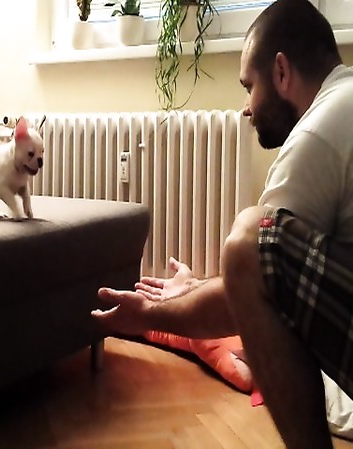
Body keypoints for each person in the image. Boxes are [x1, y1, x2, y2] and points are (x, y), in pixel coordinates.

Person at [91, 1, 353, 448]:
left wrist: (147, 315)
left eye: (249, 86)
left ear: (281, 71)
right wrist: (198, 289)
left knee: (250, 237)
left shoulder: (320, 130)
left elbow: (254, 274)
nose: (246, 109)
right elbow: (282, 277)